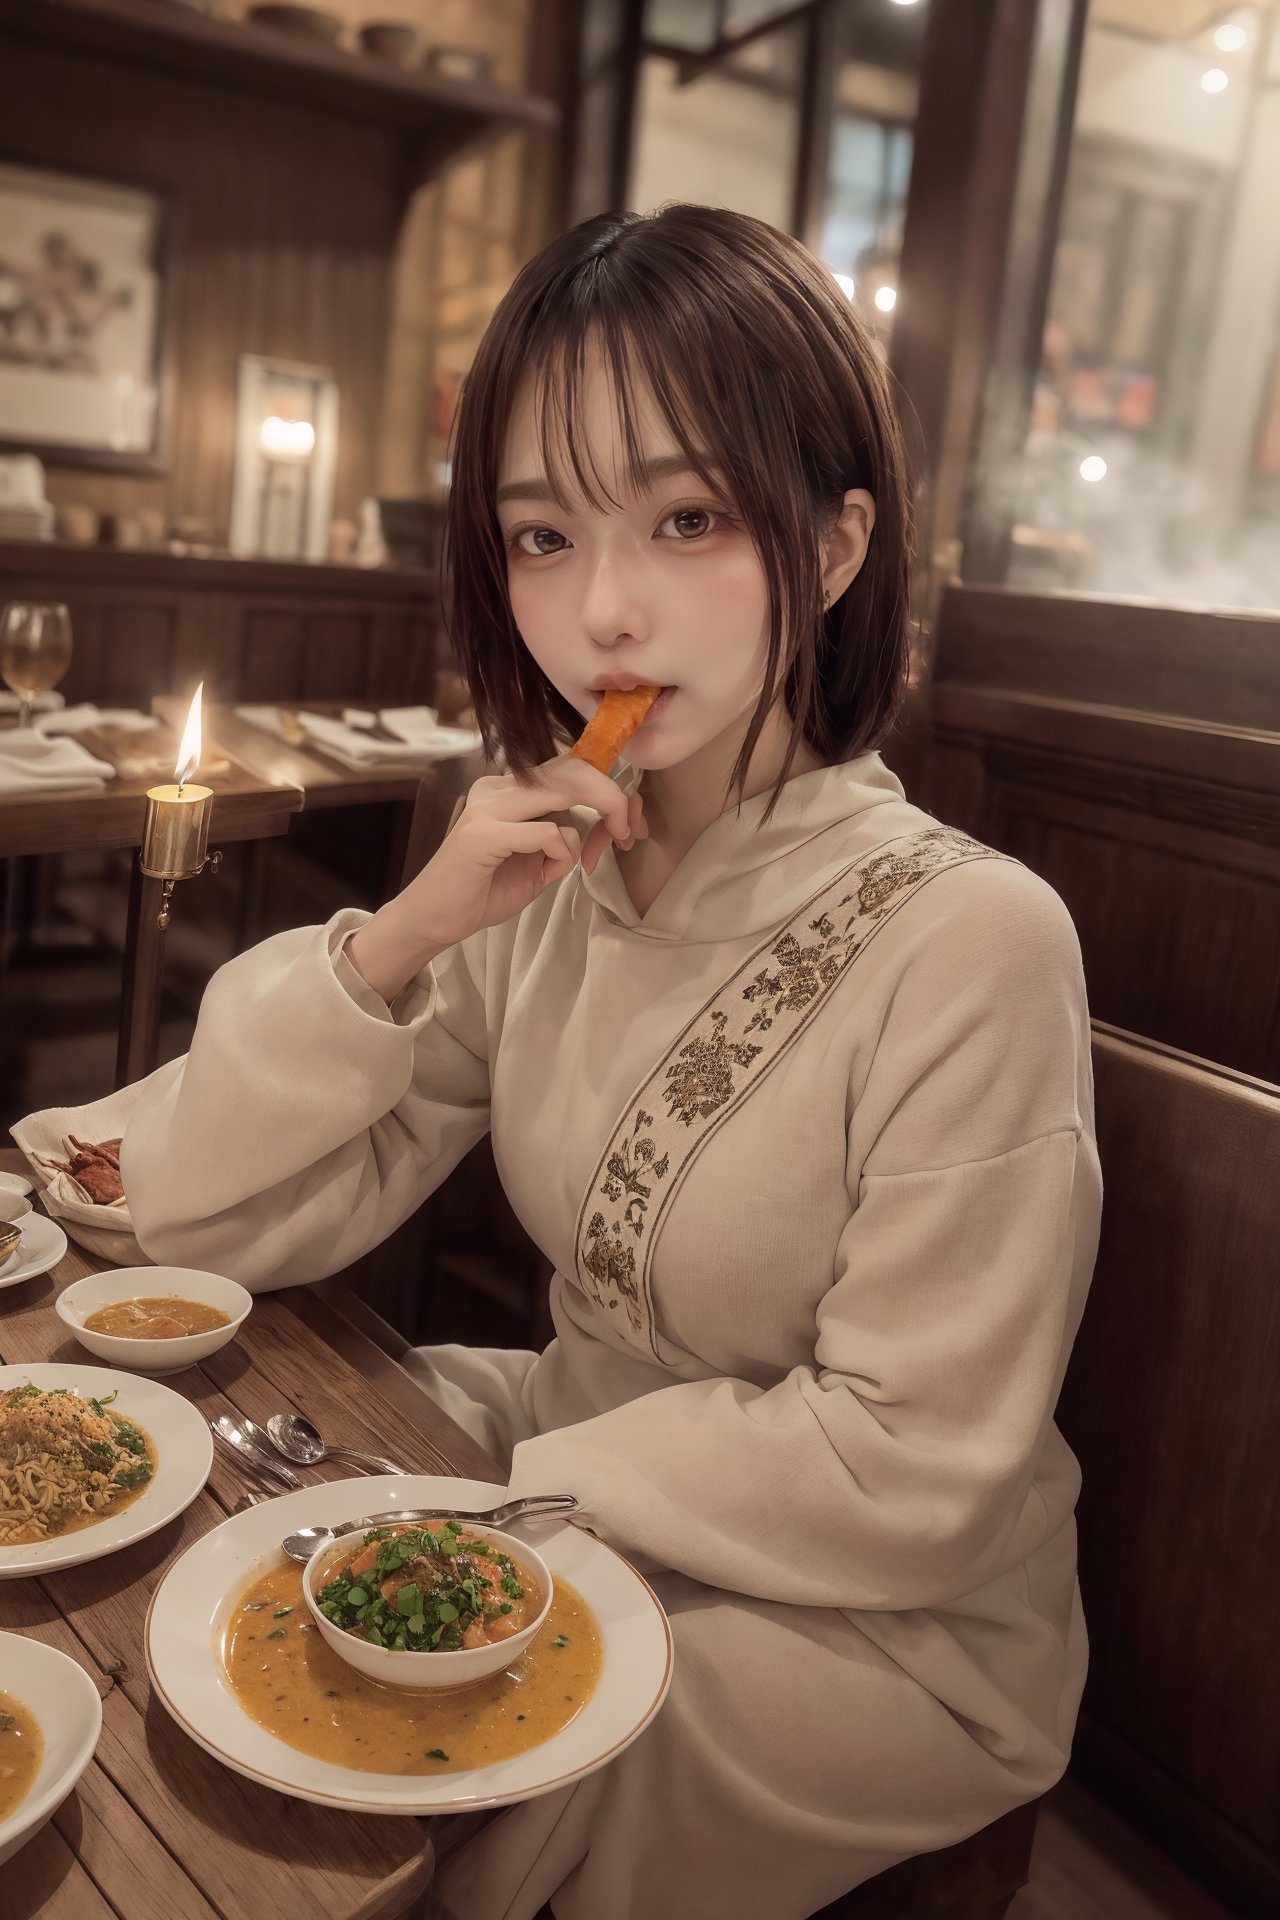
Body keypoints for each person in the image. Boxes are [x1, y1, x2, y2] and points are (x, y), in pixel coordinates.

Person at [121, 204, 1102, 1920]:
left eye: (689, 517)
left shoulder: (976, 936)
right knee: (208, 1547)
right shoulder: (556, 868)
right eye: (543, 535)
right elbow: (226, 1210)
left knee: (404, 1783)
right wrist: (406, 931)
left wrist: (514, 1489)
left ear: (839, 538)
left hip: (867, 1622)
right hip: (572, 1476)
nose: (608, 610)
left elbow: (918, 1468)